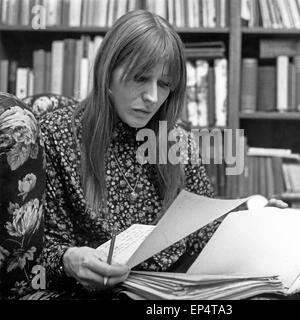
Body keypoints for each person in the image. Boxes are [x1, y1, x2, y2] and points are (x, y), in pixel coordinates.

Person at [40, 10, 287, 295]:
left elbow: (204, 235)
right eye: (140, 78)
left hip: (173, 292)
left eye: (164, 84)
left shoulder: (177, 142)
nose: (152, 97)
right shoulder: (55, 136)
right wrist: (69, 260)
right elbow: (31, 254)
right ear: (107, 72)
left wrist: (257, 226)